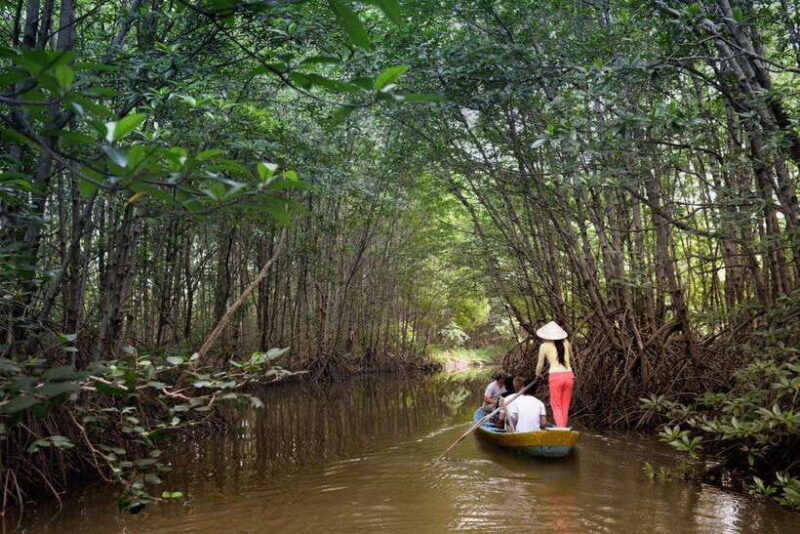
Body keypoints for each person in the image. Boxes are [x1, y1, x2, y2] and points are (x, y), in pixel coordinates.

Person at [535, 321, 575, 428]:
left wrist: (538, 374)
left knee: (556, 406)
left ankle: (561, 430)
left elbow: (540, 365)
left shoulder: (544, 346)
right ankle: (564, 429)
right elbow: (570, 357)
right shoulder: (566, 342)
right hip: (569, 376)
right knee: (565, 406)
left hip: (556, 377)